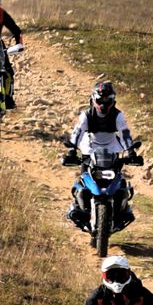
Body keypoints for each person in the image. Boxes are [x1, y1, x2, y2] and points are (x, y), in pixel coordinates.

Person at [63, 81, 138, 229]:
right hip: (89, 147)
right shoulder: (86, 115)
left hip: (112, 148)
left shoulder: (118, 115)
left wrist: (130, 151)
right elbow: (77, 132)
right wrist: (72, 150)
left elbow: (124, 133)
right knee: (83, 179)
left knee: (119, 179)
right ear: (93, 99)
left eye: (107, 101)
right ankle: (80, 207)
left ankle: (121, 207)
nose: (103, 105)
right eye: (100, 100)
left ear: (113, 101)